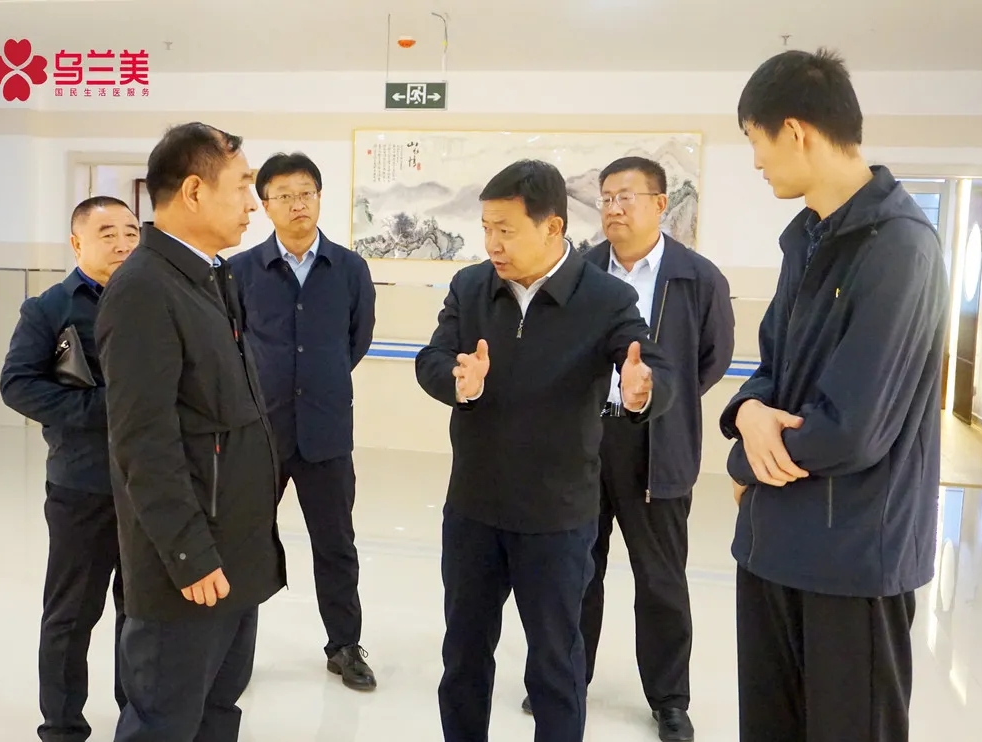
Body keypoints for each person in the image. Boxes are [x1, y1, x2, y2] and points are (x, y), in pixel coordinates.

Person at [719, 49, 949, 742]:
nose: (755, 163)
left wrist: (743, 462)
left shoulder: (900, 248)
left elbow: (852, 428)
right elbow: (769, 369)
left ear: (794, 131)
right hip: (771, 547)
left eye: (755, 142)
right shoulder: (807, 240)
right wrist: (747, 412)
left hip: (853, 560)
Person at [415, 159, 678, 742]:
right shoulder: (471, 287)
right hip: (474, 509)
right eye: (486, 229)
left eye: (506, 230)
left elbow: (652, 366)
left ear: (553, 227)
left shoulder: (605, 298)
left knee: (556, 667)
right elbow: (431, 359)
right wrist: (457, 381)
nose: (492, 244)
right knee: (463, 659)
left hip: (557, 517)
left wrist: (644, 391)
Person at [517, 156, 734, 741]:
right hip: (585, 438)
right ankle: (566, 679)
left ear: (661, 204)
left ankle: (669, 699)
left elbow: (709, 360)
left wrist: (655, 397)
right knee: (574, 569)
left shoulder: (697, 278)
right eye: (606, 198)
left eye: (626, 197)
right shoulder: (580, 271)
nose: (613, 208)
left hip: (657, 441)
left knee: (660, 577)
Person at [95, 122, 287, 742]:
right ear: (196, 192)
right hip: (190, 568)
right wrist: (189, 554)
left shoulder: (210, 277)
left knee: (217, 713)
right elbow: (143, 443)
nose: (254, 203)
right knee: (165, 722)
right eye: (243, 186)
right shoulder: (144, 289)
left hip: (234, 553)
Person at [229, 152, 378, 690]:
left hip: (326, 431)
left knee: (335, 544)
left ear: (319, 197)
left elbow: (355, 341)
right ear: (265, 205)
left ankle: (345, 646)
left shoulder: (350, 269)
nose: (298, 204)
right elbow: (231, 345)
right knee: (243, 541)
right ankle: (230, 652)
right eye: (285, 196)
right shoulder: (239, 271)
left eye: (306, 193)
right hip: (259, 432)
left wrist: (318, 379)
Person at [0, 196, 139, 742]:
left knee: (141, 612)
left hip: (150, 486)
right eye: (108, 233)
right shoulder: (49, 308)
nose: (123, 243)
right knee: (71, 614)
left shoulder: (156, 300)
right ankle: (61, 725)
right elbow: (17, 385)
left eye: (131, 232)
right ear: (77, 242)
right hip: (82, 484)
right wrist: (103, 409)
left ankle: (139, 717)